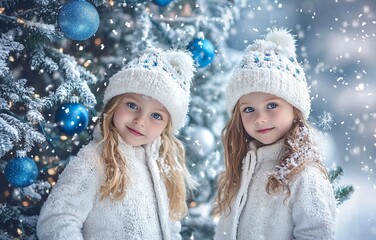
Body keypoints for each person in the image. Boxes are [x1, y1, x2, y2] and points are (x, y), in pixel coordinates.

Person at [37, 48, 196, 240]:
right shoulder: (94, 160)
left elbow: (171, 231)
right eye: (132, 105)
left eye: (156, 115)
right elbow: (56, 220)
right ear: (114, 105)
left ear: (167, 126)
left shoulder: (160, 168)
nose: (140, 120)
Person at [213, 28, 336, 240]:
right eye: (248, 109)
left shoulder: (305, 176)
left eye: (271, 105)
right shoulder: (241, 169)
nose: (260, 118)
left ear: (294, 108)